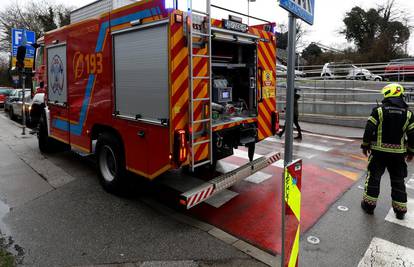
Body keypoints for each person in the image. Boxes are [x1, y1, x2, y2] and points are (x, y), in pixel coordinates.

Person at [360, 83, 414, 220]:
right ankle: (400, 210)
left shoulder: (378, 111)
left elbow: (368, 129)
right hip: (398, 155)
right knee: (398, 181)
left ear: (388, 94)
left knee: (373, 178)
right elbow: (413, 135)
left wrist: (365, 145)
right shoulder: (408, 114)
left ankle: (369, 206)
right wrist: (411, 152)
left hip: (378, 153)